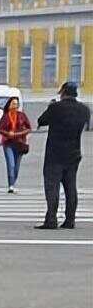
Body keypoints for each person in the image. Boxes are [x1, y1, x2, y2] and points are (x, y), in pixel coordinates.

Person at [35, 81, 89, 229]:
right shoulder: (84, 110)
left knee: (52, 187)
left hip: (55, 153)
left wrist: (50, 107)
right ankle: (70, 220)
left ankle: (51, 219)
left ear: (63, 92)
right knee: (71, 187)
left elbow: (41, 121)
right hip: (74, 153)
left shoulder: (55, 108)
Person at [0, 97, 32, 194]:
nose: (14, 106)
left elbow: (29, 128)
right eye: (13, 104)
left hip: (20, 143)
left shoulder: (21, 115)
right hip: (8, 143)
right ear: (9, 105)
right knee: (11, 165)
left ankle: (13, 182)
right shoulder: (5, 116)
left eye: (16, 104)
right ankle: (11, 185)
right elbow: (0, 129)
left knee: (16, 166)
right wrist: (8, 134)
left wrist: (19, 134)